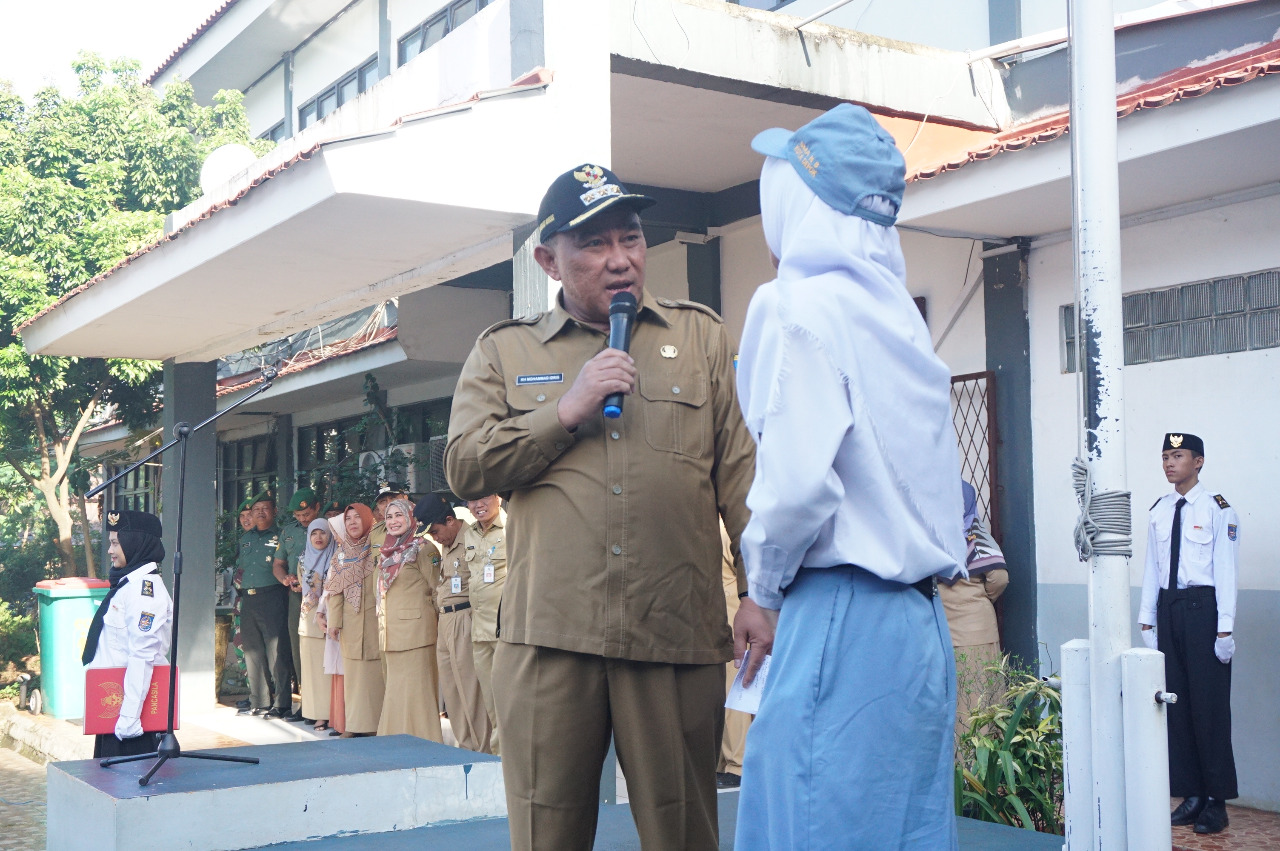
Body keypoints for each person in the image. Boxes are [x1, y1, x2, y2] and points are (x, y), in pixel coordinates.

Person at [446, 163, 755, 851]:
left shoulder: (701, 338)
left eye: (631, 238)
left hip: (672, 632)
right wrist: (565, 410)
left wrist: (760, 593)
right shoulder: (504, 349)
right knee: (545, 831)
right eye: (594, 243)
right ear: (548, 260)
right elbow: (464, 465)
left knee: (684, 831)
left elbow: (741, 478)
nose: (620, 259)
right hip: (549, 638)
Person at [731, 104, 967, 850]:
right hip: (919, 624)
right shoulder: (898, 318)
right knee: (906, 829)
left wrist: (762, 589)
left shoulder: (793, 306)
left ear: (798, 201)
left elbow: (797, 486)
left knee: (810, 823)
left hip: (838, 611)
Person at [1139, 432, 1239, 835]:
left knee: (1209, 708)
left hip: (1203, 612)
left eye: (1177, 456)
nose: (1169, 463)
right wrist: (1147, 619)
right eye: (1165, 456)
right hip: (1169, 609)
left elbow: (1226, 570)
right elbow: (1152, 566)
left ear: (1198, 462)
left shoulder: (1218, 508)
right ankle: (1192, 794)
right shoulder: (1160, 509)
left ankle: (1216, 801)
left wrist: (1225, 628)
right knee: (1176, 706)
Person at [82, 509, 172, 759]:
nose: (110, 551)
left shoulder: (145, 592)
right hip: (115, 708)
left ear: (135, 543)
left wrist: (129, 719)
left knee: (128, 779)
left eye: (115, 543)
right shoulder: (127, 585)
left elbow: (142, 657)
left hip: (132, 721)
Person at [416, 493, 491, 752]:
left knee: (471, 690)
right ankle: (466, 745)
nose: (435, 538)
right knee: (452, 691)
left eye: (435, 531)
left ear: (450, 520)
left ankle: (483, 750)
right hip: (446, 620)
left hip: (465, 617)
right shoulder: (446, 545)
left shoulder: (472, 539)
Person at [940, 481, 1009, 736]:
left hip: (935, 628)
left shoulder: (928, 536)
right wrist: (979, 598)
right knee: (979, 703)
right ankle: (980, 760)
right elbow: (999, 578)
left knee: (952, 703)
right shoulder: (975, 536)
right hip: (977, 630)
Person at [375, 497, 443, 740]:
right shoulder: (387, 551)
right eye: (389, 516)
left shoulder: (424, 549)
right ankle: (395, 740)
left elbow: (437, 590)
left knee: (417, 693)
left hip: (417, 634)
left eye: (399, 515)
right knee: (396, 692)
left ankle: (425, 741)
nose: (393, 521)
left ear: (411, 517)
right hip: (391, 633)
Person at [324, 503, 383, 737]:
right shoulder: (340, 554)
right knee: (354, 680)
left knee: (375, 676)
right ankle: (355, 725)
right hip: (350, 624)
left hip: (375, 622)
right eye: (348, 519)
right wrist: (334, 622)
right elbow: (335, 591)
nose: (352, 522)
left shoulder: (378, 547)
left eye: (358, 517)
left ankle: (376, 726)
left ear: (368, 519)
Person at [237, 492, 292, 718]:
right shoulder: (246, 538)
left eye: (265, 508)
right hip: (248, 599)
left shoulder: (281, 536)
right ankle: (259, 701)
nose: (260, 512)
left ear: (274, 511)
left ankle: (282, 703)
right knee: (253, 651)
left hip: (272, 596)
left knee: (276, 651)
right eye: (256, 509)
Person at [273, 487, 321, 722]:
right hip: (296, 597)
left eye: (307, 514)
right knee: (299, 648)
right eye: (298, 515)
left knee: (320, 649)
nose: (303, 519)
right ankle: (306, 704)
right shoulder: (289, 532)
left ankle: (323, 705)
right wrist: (286, 579)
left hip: (322, 597)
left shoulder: (327, 528)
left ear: (317, 508)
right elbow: (278, 564)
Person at [462, 493, 505, 755]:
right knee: (491, 700)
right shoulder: (470, 534)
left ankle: (512, 757)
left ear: (498, 497)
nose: (478, 505)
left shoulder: (513, 528)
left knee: (510, 698)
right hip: (479, 631)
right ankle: (500, 756)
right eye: (472, 500)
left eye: (484, 498)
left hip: (505, 630)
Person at [717, 520, 751, 789]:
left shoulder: (725, 525)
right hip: (724, 612)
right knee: (729, 691)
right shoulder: (722, 523)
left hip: (731, 613)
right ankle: (726, 762)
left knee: (734, 691)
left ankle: (737, 764)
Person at [299, 518, 335, 732]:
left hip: (331, 617)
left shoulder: (336, 557)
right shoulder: (303, 559)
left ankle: (332, 714)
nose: (318, 537)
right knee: (312, 671)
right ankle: (316, 714)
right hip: (308, 619)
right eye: (314, 533)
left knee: (329, 670)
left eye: (323, 532)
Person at [368, 481, 408, 551]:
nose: (389, 504)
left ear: (405, 498)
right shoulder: (374, 533)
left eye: (393, 498)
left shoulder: (420, 526)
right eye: (382, 501)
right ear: (378, 507)